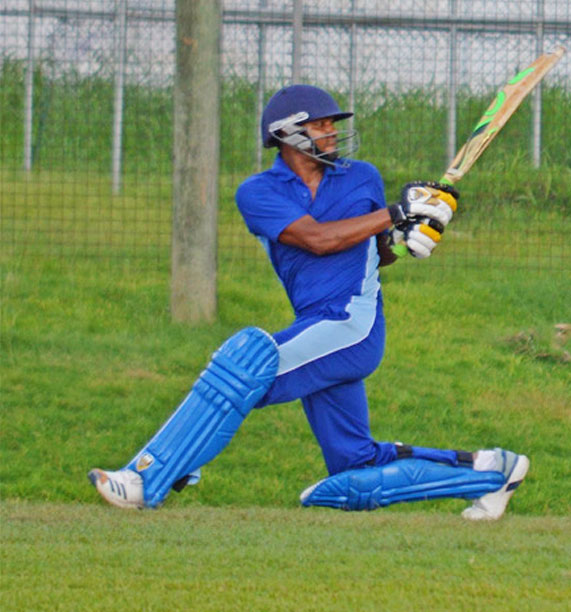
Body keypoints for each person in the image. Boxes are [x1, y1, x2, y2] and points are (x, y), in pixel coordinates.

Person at [88, 84, 528, 520]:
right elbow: (317, 240)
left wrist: (415, 234)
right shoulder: (258, 192)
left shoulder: (362, 177)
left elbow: (379, 252)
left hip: (351, 325)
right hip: (318, 328)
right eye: (319, 124)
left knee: (245, 366)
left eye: (333, 123)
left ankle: (147, 476)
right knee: (354, 467)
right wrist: (399, 213)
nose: (332, 132)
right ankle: (491, 472)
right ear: (286, 134)